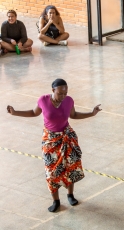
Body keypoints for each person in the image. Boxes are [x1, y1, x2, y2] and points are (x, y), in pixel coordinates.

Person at [7, 79, 102, 212]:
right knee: (51, 171)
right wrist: (15, 112)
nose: (63, 96)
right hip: (50, 139)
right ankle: (56, 201)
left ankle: (70, 195)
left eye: (65, 93)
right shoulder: (43, 100)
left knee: (70, 165)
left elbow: (73, 115)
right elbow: (34, 113)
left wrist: (91, 113)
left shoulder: (69, 101)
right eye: (60, 93)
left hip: (66, 136)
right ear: (53, 91)